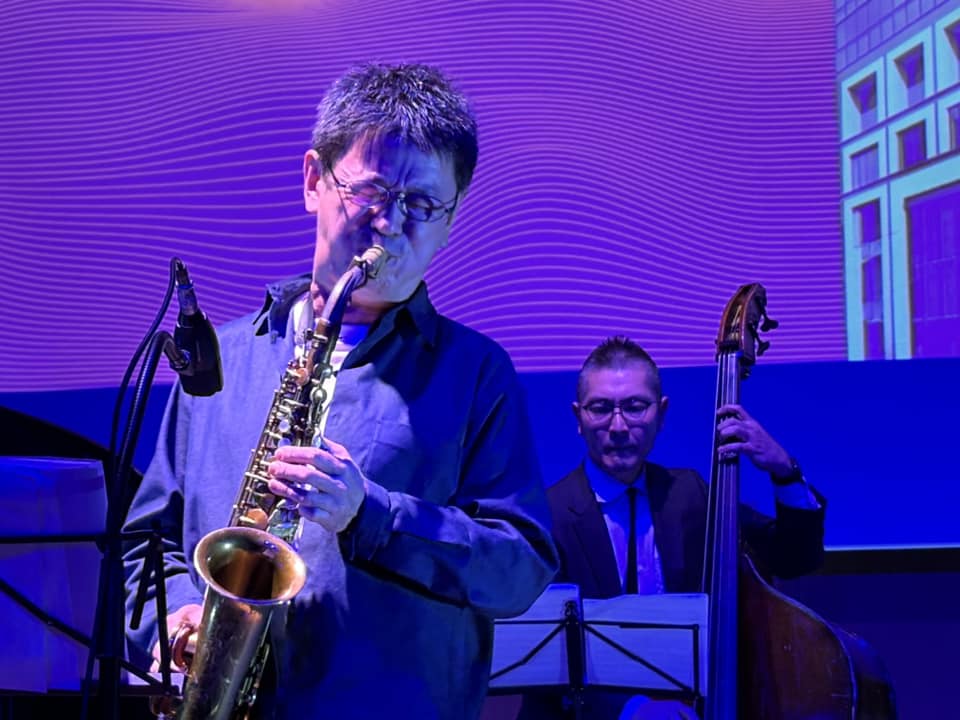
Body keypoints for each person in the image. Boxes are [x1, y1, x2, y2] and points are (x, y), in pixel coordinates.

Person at [123, 62, 559, 720]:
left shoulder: (477, 373)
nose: (390, 225)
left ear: (451, 220)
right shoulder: (222, 360)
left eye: (423, 206)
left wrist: (372, 514)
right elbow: (146, 546)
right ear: (313, 181)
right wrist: (175, 619)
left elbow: (519, 569)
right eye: (372, 192)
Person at [521, 335, 825, 720]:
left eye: (635, 407)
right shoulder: (546, 516)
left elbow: (794, 558)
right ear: (578, 417)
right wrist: (633, 710)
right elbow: (545, 659)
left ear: (661, 413)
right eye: (600, 408)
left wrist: (784, 471)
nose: (618, 426)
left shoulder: (690, 494)